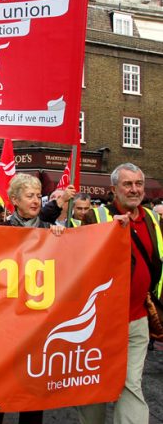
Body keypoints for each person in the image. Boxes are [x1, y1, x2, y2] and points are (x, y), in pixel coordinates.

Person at [77, 163, 163, 424]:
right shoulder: (96, 217)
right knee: (94, 384)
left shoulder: (152, 218)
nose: (135, 189)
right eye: (128, 184)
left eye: (139, 183)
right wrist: (110, 233)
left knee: (131, 384)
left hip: (136, 318)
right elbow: (77, 261)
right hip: (100, 322)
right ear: (114, 189)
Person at [0, 173, 65, 424]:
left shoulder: (52, 232)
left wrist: (65, 239)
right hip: (6, 320)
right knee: (1, 386)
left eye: (39, 195)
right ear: (15, 200)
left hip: (38, 322)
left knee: (32, 386)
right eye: (30, 196)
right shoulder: (0, 231)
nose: (36, 201)